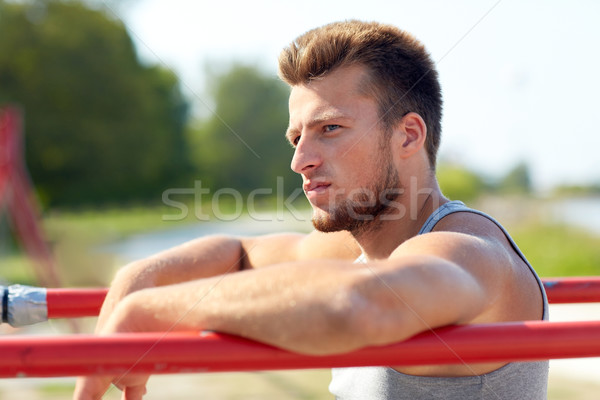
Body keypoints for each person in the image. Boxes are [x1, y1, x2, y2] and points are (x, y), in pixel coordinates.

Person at [74, 20, 548, 400]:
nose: (301, 160)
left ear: (408, 135)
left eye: (330, 128)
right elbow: (240, 254)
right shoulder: (352, 253)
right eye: (297, 137)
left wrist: (150, 312)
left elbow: (358, 308)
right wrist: (139, 276)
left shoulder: (468, 251)